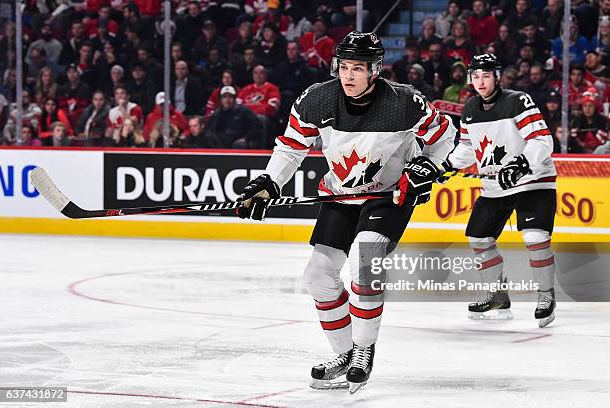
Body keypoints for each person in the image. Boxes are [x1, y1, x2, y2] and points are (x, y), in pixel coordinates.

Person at [235, 32, 456, 393]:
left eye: (358, 68)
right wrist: (269, 183)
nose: (348, 75)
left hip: (387, 196)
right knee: (318, 276)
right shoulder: (316, 99)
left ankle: (364, 351)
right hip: (340, 196)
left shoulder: (404, 102)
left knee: (365, 260)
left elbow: (445, 138)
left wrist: (426, 168)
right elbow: (291, 148)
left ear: (375, 70)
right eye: (344, 67)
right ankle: (346, 353)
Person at [441, 54, 557, 328]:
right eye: (476, 76)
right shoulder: (469, 108)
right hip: (495, 187)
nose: (480, 82)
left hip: (533, 182)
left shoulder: (518, 101)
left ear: (497, 77)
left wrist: (521, 164)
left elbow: (542, 140)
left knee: (534, 236)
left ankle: (545, 295)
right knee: (479, 239)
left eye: (486, 76)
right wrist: (446, 165)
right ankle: (497, 295)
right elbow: (468, 148)